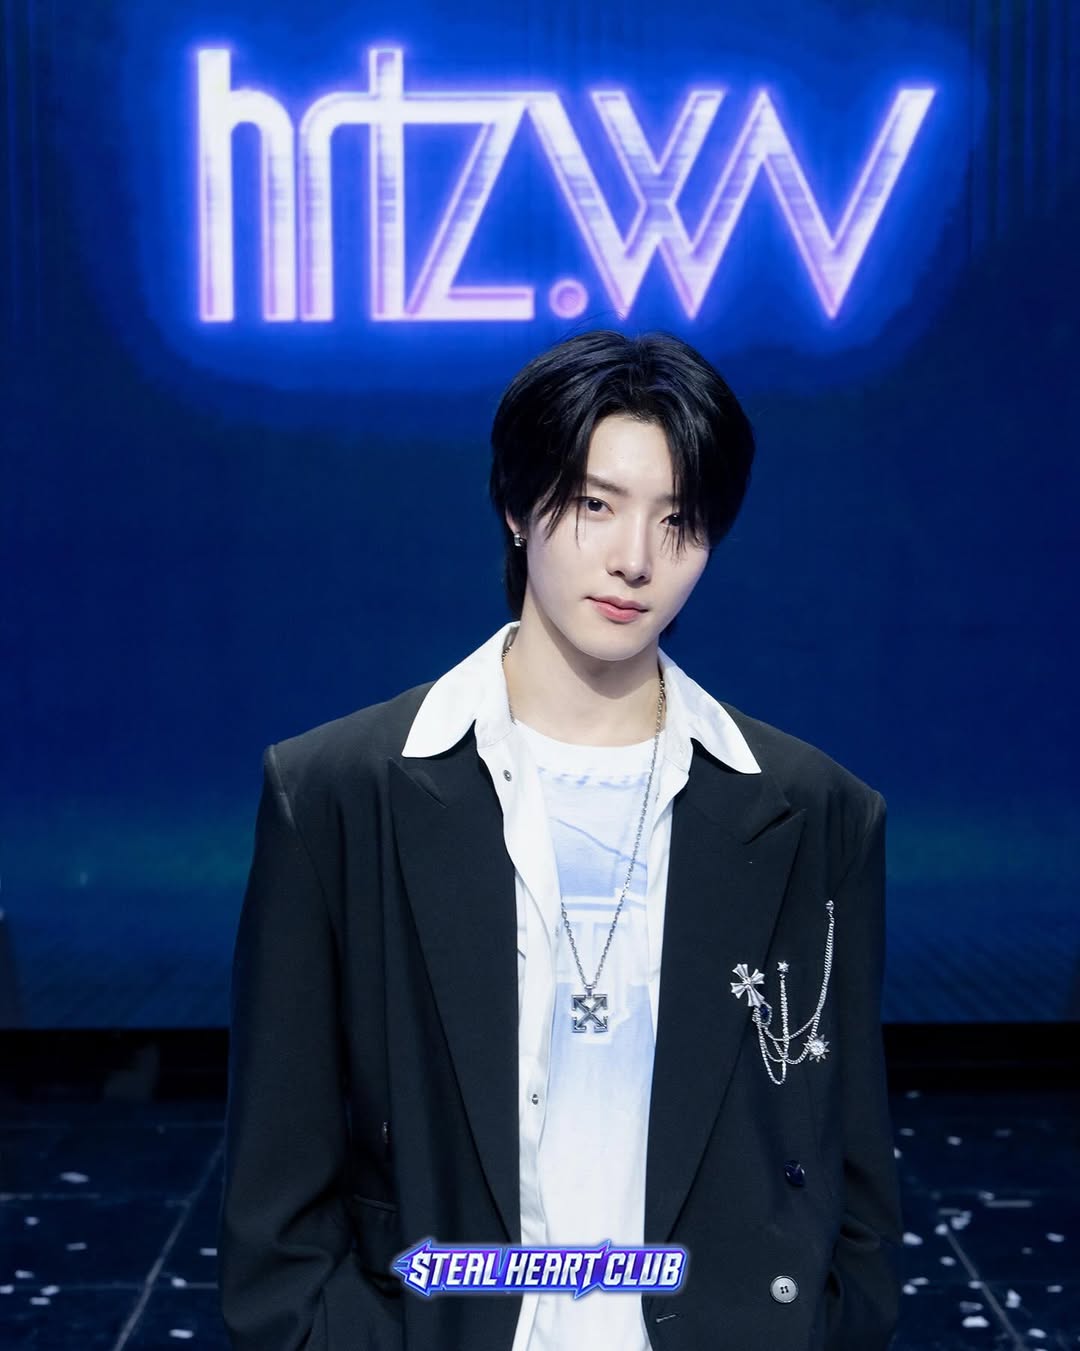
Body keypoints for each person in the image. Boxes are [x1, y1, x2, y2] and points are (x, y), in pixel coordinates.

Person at [217, 330, 903, 1351]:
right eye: (595, 504)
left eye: (680, 520)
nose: (636, 558)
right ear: (515, 502)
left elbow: (849, 1164)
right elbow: (276, 1198)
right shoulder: (334, 795)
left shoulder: (816, 812)